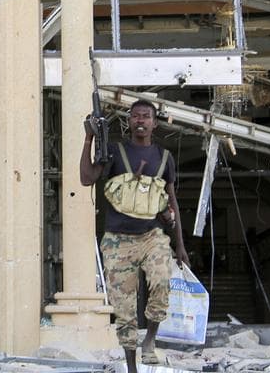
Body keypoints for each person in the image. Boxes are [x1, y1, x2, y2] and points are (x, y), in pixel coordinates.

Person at [80, 99, 189, 371]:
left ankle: (150, 339)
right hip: (118, 240)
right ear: (129, 121)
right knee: (124, 309)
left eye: (146, 116)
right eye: (136, 116)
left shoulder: (164, 158)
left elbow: (171, 201)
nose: (141, 121)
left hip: (152, 235)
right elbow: (86, 178)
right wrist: (88, 139)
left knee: (162, 282)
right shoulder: (115, 152)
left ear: (154, 122)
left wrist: (180, 245)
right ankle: (131, 367)